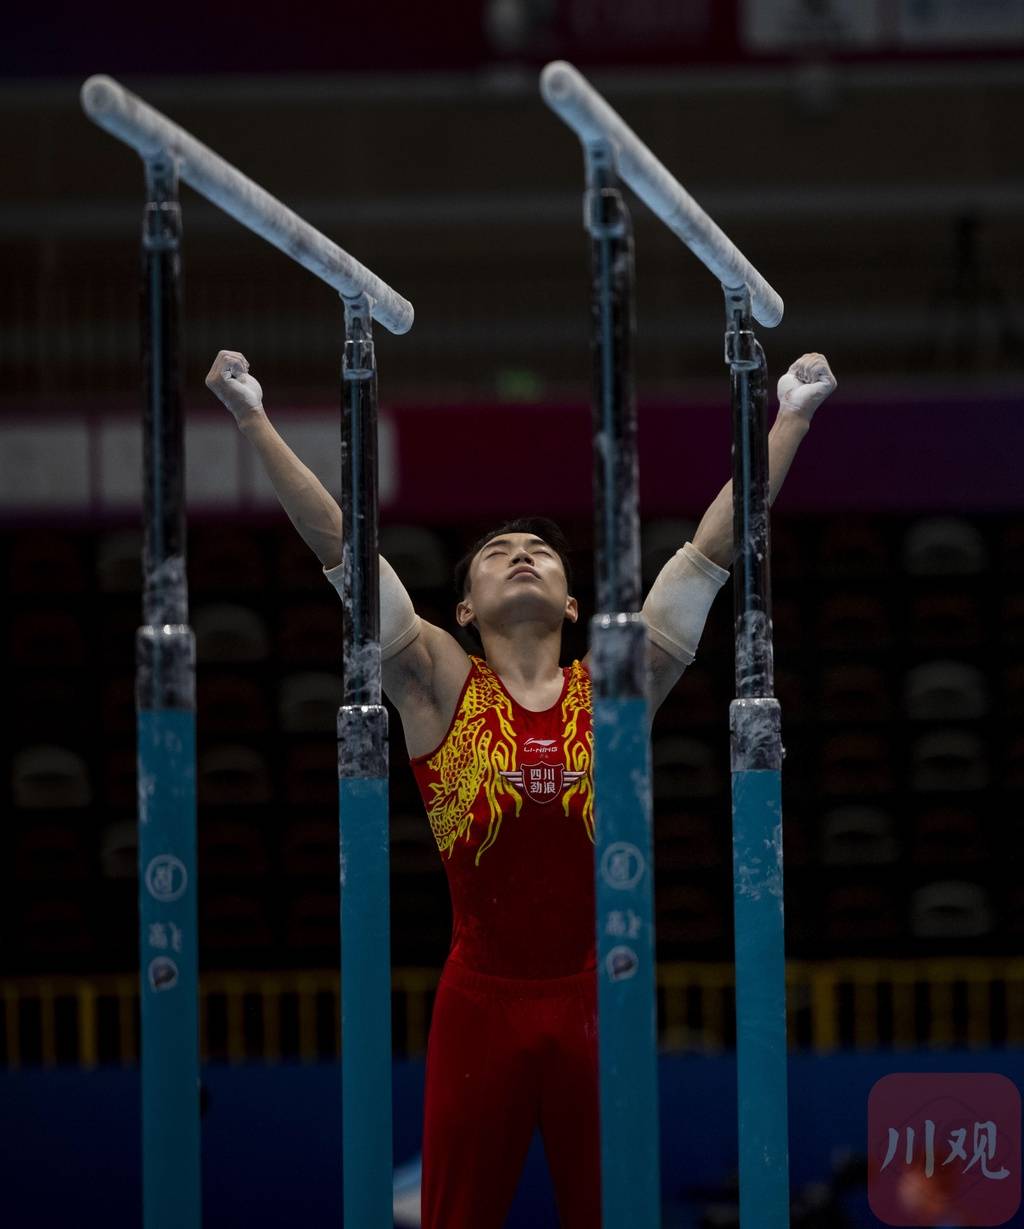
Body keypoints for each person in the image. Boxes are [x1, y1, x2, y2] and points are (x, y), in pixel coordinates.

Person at [206, 347, 837, 1229]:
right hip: (479, 1007)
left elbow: (710, 552)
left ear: (575, 604)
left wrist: (791, 417)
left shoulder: (617, 684)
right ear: (463, 608)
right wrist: (252, 417)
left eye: (540, 550)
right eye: (498, 553)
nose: (522, 556)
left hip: (599, 999)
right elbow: (343, 548)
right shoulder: (435, 681)